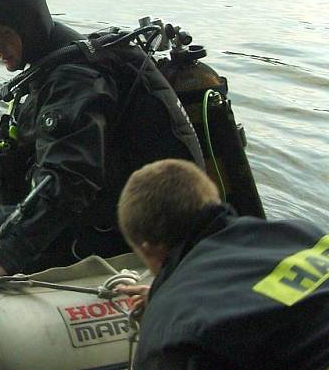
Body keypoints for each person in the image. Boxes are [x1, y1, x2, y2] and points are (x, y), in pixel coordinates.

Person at [0, 0, 204, 275]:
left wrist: (7, 257)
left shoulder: (73, 79)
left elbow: (70, 180)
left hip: (109, 228)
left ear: (28, 27)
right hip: (101, 204)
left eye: (3, 34)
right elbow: (28, 136)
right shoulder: (54, 61)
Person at [115, 158, 329, 370]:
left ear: (147, 248)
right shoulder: (302, 233)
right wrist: (164, 298)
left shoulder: (171, 335)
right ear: (213, 197)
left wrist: (166, 309)